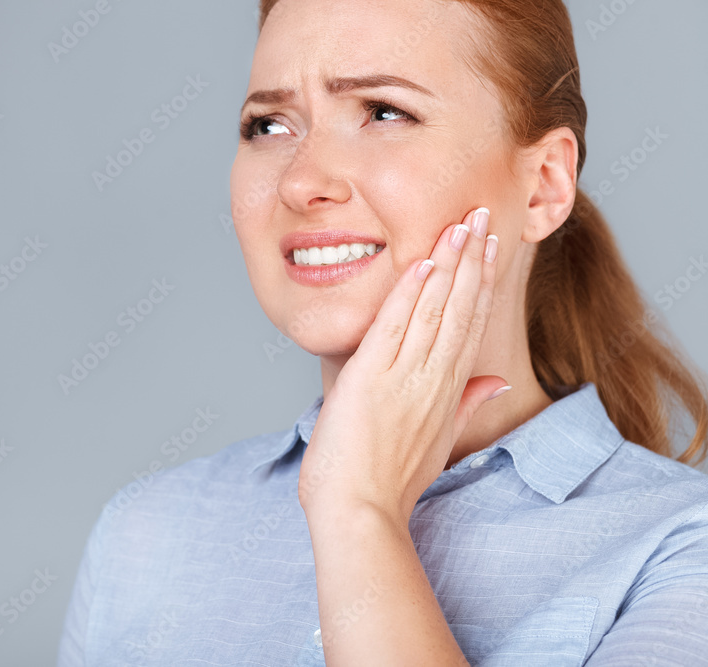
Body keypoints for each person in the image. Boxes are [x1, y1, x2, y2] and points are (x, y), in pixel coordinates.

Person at [56, 0, 708, 664]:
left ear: (543, 187)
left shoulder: (680, 547)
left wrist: (358, 509)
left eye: (383, 112)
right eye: (269, 124)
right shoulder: (146, 536)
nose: (302, 181)